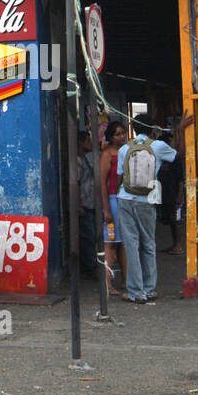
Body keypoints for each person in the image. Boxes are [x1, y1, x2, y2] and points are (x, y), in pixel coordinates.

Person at [117, 114, 193, 303]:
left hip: (125, 199)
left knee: (131, 245)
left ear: (133, 128)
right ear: (153, 129)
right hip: (146, 200)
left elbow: (120, 176)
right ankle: (150, 289)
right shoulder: (158, 147)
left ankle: (136, 292)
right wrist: (181, 129)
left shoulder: (124, 149)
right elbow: (180, 155)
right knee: (149, 245)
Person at [100, 120, 127, 296]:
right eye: (117, 134)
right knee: (110, 244)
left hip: (124, 200)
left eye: (123, 133)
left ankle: (127, 281)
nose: (122, 136)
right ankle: (108, 283)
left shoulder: (125, 152)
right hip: (112, 201)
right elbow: (102, 182)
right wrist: (107, 209)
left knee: (124, 243)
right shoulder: (107, 154)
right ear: (111, 137)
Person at [76, 131, 100, 280]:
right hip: (84, 204)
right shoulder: (78, 161)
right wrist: (78, 204)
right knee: (88, 237)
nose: (91, 143)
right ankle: (89, 267)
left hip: (90, 203)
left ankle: (91, 265)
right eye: (88, 141)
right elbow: (76, 183)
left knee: (91, 237)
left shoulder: (85, 159)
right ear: (80, 143)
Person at [157, 130, 185, 255]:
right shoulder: (162, 158)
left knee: (176, 220)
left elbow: (180, 179)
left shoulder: (175, 159)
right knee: (171, 221)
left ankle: (178, 245)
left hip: (174, 194)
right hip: (165, 194)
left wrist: (179, 195)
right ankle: (175, 244)